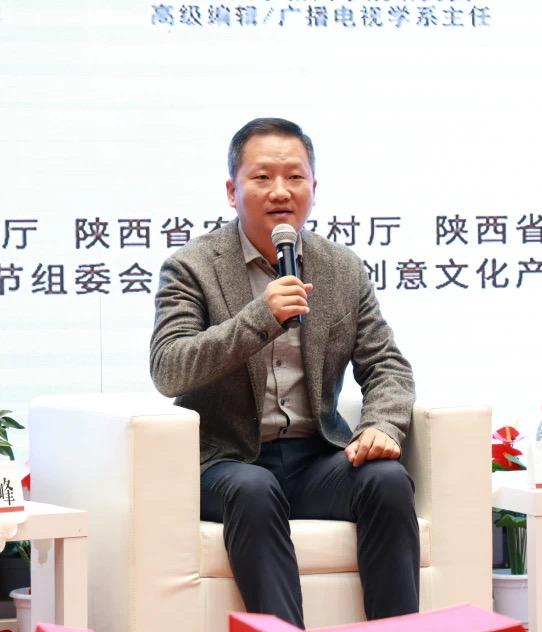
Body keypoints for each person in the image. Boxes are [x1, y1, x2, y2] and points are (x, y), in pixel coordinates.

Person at [149, 118, 418, 627]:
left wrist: (382, 424)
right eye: (262, 177)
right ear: (232, 191)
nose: (280, 191)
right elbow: (169, 368)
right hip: (226, 461)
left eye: (295, 177)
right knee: (254, 490)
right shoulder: (192, 266)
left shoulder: (341, 268)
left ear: (314, 187)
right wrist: (259, 318)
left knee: (386, 480)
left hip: (314, 458)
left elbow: (386, 364)